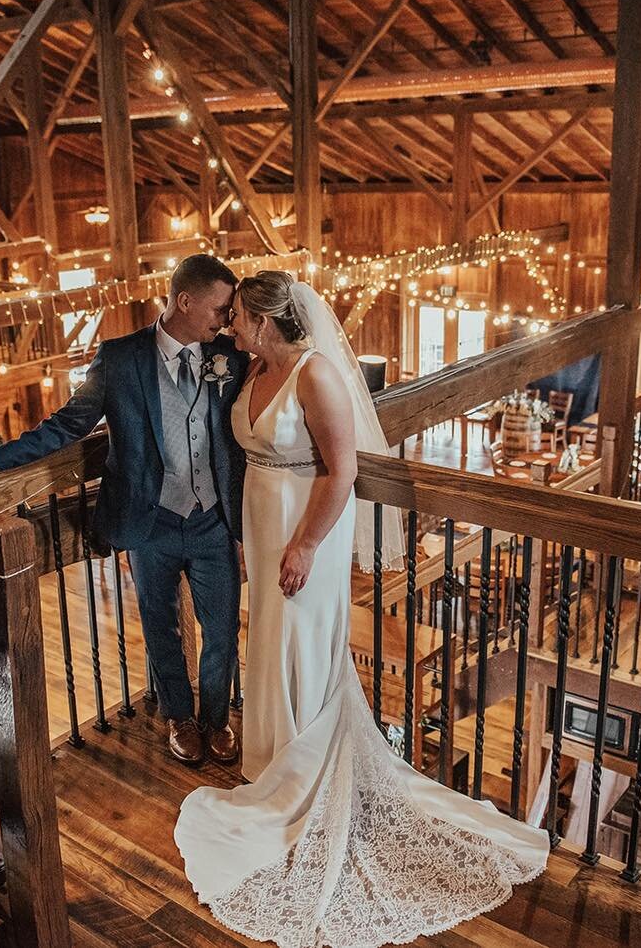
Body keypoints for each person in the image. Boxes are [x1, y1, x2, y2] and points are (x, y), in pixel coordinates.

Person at [174, 271, 549, 948]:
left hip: (304, 524)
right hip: (261, 518)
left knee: (302, 635)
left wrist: (306, 545)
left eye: (237, 317)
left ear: (264, 321)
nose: (228, 326)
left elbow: (341, 470)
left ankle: (303, 773)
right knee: (269, 639)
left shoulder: (315, 376)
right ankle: (270, 756)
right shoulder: (253, 368)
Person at [0, 255, 247, 766]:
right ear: (185, 301)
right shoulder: (120, 358)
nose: (225, 318)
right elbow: (68, 424)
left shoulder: (229, 354)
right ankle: (181, 719)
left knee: (222, 629)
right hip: (149, 521)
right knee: (161, 627)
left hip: (212, 520)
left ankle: (216, 720)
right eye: (220, 308)